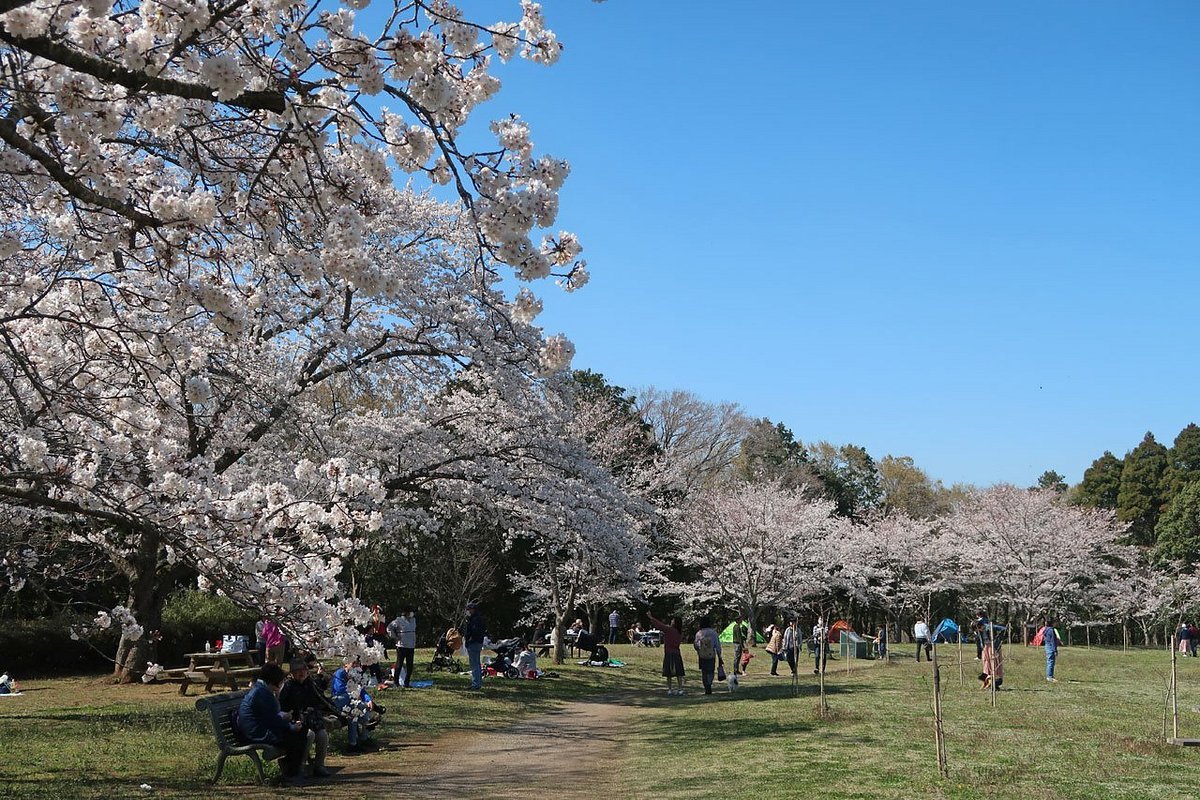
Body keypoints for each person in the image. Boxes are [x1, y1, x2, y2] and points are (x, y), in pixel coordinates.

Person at [237, 663, 306, 783]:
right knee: (296, 737)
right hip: (257, 732)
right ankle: (291, 774)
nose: (281, 684)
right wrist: (291, 726)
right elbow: (273, 720)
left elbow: (271, 716)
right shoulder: (261, 693)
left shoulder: (261, 689)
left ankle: (291, 769)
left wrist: (288, 723)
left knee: (298, 734)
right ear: (273, 681)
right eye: (280, 681)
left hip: (259, 728)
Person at [279, 659, 335, 777]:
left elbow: (320, 697)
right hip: (294, 721)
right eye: (298, 671)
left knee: (322, 734)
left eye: (304, 670)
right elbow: (282, 707)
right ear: (292, 673)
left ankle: (319, 765)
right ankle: (301, 765)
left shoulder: (309, 684)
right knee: (309, 735)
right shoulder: (288, 686)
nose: (302, 673)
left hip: (310, 720)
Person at [331, 657, 376, 751]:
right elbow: (340, 690)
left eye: (357, 664)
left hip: (351, 702)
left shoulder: (356, 675)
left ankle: (363, 738)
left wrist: (368, 700)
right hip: (339, 701)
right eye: (353, 663)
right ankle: (354, 742)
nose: (355, 666)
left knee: (362, 709)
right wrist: (354, 693)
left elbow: (361, 690)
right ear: (346, 664)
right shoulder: (340, 673)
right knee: (354, 709)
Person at [648, 612, 685, 695]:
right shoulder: (679, 632)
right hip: (677, 653)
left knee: (669, 672)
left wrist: (651, 618)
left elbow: (660, 625)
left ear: (675, 622)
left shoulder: (669, 630)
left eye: (673, 620)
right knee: (679, 672)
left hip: (669, 653)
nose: (671, 621)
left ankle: (670, 689)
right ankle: (680, 689)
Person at [387, 606, 417, 687]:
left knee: (410, 665)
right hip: (402, 646)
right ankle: (396, 682)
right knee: (399, 664)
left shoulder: (413, 620)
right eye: (410, 612)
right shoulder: (398, 621)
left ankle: (406, 682)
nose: (412, 614)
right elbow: (389, 628)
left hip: (411, 646)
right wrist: (395, 636)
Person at [693, 616, 722, 695]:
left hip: (702, 655)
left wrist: (698, 650)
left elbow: (695, 644)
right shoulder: (713, 633)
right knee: (710, 671)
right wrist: (719, 655)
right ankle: (709, 683)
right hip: (711, 654)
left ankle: (706, 686)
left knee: (704, 671)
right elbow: (717, 645)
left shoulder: (699, 633)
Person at [464, 601, 487, 691]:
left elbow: (474, 631)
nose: (468, 611)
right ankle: (478, 682)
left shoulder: (475, 620)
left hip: (474, 643)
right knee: (477, 664)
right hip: (478, 642)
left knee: (474, 664)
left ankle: (475, 684)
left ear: (473, 610)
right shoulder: (479, 618)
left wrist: (469, 639)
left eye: (469, 609)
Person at [976, 619, 1004, 690]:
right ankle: (985, 681)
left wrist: (998, 639)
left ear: (981, 626)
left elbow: (1003, 629)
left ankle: (994, 682)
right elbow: (979, 642)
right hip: (985, 648)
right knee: (986, 665)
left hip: (993, 647)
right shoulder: (979, 632)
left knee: (994, 665)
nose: (978, 631)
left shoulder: (989, 627)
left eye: (979, 629)